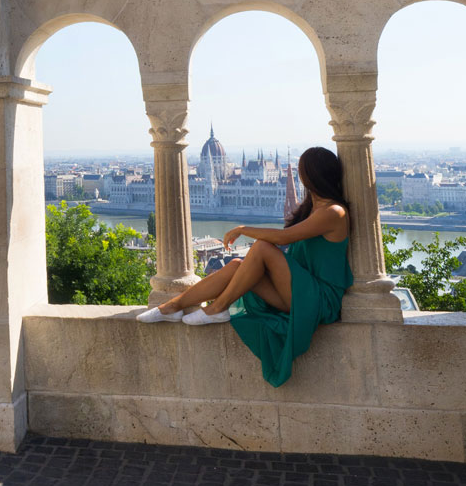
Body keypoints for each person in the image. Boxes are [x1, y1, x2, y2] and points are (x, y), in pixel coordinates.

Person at [137, 146, 353, 387]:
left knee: (261, 247)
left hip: (319, 299)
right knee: (236, 265)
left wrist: (242, 229)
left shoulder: (334, 212)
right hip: (298, 293)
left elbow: (283, 239)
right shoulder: (313, 208)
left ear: (310, 176)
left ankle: (218, 307)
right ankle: (173, 306)